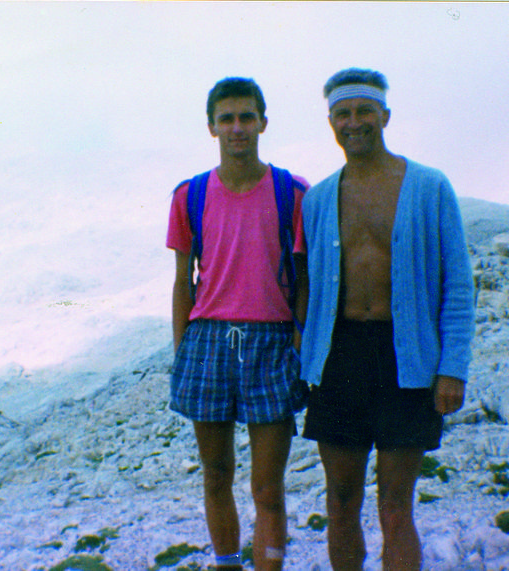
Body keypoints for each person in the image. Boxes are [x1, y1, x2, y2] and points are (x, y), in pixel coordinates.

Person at [294, 68, 475, 570]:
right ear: (331, 121)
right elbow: (308, 286)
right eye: (343, 114)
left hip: (409, 358)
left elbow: (457, 286)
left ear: (384, 116)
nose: (354, 123)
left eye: (364, 112)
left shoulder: (429, 187)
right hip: (338, 358)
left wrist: (453, 367)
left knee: (396, 507)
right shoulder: (317, 199)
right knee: (340, 502)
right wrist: (303, 360)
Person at [166, 77, 309, 571]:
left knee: (268, 485)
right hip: (208, 339)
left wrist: (298, 343)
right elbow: (183, 280)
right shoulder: (191, 195)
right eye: (226, 118)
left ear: (263, 123)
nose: (237, 128)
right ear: (211, 127)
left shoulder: (293, 192)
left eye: (247, 117)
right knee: (216, 474)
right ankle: (227, 563)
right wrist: (182, 349)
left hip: (271, 341)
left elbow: (305, 278)